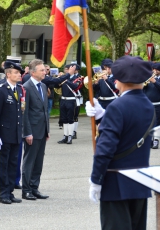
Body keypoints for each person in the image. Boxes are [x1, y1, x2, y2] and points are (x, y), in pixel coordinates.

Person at [87, 56, 154, 230]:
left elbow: (104, 150)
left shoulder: (117, 107)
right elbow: (130, 132)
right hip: (140, 183)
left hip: (116, 184)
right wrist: (103, 115)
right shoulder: (148, 105)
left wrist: (96, 180)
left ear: (119, 81)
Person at [0, 61, 23, 204]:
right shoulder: (1, 90)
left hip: (16, 133)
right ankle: (3, 192)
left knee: (13, 164)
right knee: (3, 163)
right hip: (4, 134)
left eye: (19, 73)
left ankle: (10, 190)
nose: (19, 75)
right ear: (8, 74)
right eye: (16, 73)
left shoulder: (19, 89)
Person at [22, 59, 50, 201]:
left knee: (39, 161)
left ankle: (34, 187)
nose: (45, 72)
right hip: (32, 130)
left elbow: (45, 110)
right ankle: (26, 189)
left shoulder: (43, 86)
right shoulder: (26, 87)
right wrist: (27, 132)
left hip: (42, 130)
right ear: (33, 72)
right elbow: (25, 112)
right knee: (30, 160)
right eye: (42, 70)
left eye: (44, 70)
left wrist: (47, 129)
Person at [56, 65, 82, 144]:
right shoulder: (63, 78)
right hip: (63, 99)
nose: (66, 71)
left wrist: (66, 79)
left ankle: (70, 136)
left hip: (71, 100)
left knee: (70, 119)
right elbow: (56, 86)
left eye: (68, 70)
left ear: (73, 70)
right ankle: (65, 136)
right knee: (64, 119)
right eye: (66, 69)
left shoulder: (78, 79)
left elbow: (75, 87)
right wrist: (58, 79)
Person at [143, 63, 160, 149]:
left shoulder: (157, 80)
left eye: (157, 70)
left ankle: (156, 141)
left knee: (156, 124)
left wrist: (155, 82)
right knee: (148, 123)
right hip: (148, 104)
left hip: (158, 105)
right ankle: (149, 140)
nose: (155, 71)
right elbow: (143, 89)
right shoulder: (149, 78)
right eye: (154, 69)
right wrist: (145, 84)